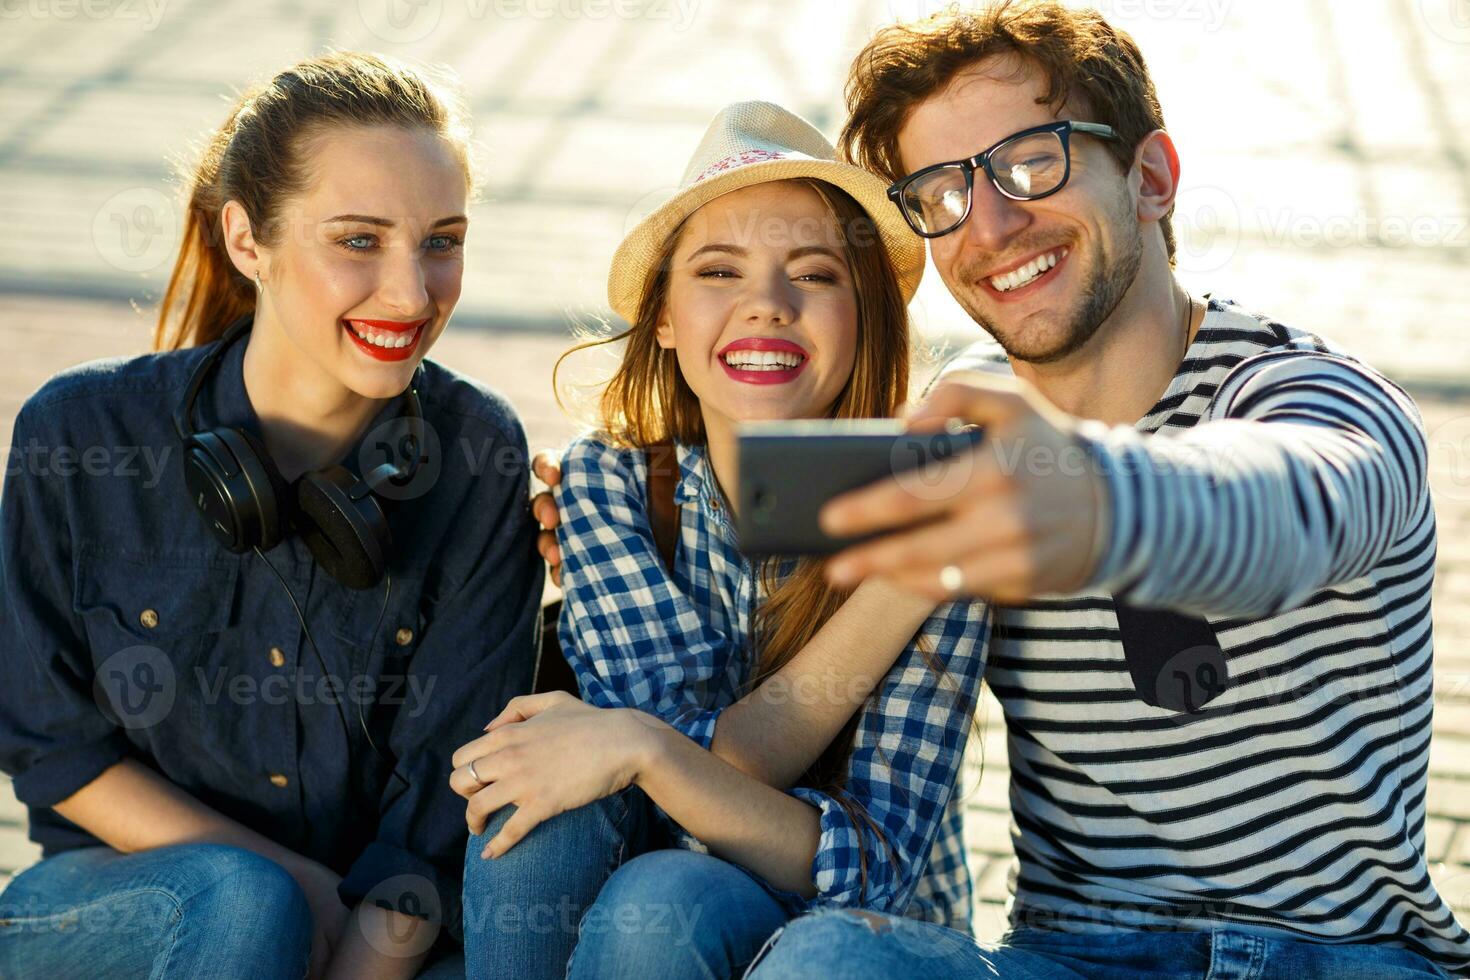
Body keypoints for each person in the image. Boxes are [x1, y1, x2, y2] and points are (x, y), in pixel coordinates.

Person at [740, 3, 1469, 977]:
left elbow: (1295, 502)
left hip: (1339, 955)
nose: (991, 223)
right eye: (943, 193)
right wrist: (628, 497)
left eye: (1032, 160)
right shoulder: (966, 441)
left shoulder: (1310, 395)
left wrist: (1103, 498)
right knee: (824, 962)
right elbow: (789, 699)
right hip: (1072, 955)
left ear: (1153, 177)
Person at [0, 52, 541, 979]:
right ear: (248, 240)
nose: (413, 295)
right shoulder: (78, 434)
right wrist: (295, 889)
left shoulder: (478, 455)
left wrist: (354, 938)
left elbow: (436, 819)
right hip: (112, 900)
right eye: (360, 241)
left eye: (441, 241)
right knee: (246, 907)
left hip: (374, 923)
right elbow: (51, 749)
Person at [450, 101, 988, 980]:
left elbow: (878, 865)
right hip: (653, 909)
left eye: (812, 275)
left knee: (661, 903)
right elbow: (695, 758)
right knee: (549, 830)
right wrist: (649, 747)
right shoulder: (612, 486)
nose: (766, 306)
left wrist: (642, 748)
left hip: (860, 942)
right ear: (663, 318)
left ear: (864, 318)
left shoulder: (931, 495)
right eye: (718, 272)